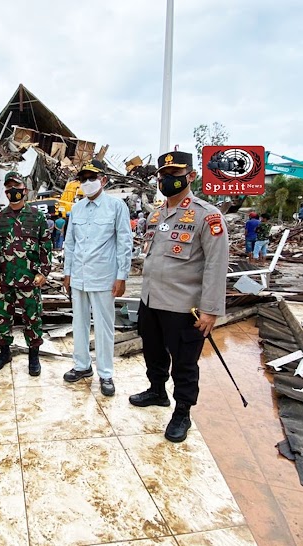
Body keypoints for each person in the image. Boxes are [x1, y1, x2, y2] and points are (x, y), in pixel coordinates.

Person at [129, 150, 229, 443]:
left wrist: (210, 310)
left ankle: (182, 411)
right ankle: (157, 391)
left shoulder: (207, 215)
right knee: (153, 353)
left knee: (185, 363)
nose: (166, 180)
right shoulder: (156, 213)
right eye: (163, 175)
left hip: (184, 306)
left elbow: (216, 264)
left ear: (191, 176)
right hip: (151, 300)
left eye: (173, 175)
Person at [62, 159, 132, 397]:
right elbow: (70, 243)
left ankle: (106, 373)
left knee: (104, 326)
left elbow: (124, 243)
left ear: (103, 180)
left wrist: (122, 276)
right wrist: (67, 272)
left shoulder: (116, 206)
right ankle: (82, 366)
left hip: (104, 276)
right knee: (78, 322)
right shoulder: (76, 209)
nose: (87, 183)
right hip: (79, 277)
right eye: (83, 179)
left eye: (92, 178)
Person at [0, 171, 52, 375]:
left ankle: (34, 356)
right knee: (2, 318)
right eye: (9, 188)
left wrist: (44, 271)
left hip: (30, 279)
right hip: (5, 280)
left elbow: (46, 246)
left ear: (24, 190)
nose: (13, 191)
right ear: (5, 192)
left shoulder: (37, 216)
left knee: (33, 318)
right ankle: (4, 352)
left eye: (17, 187)